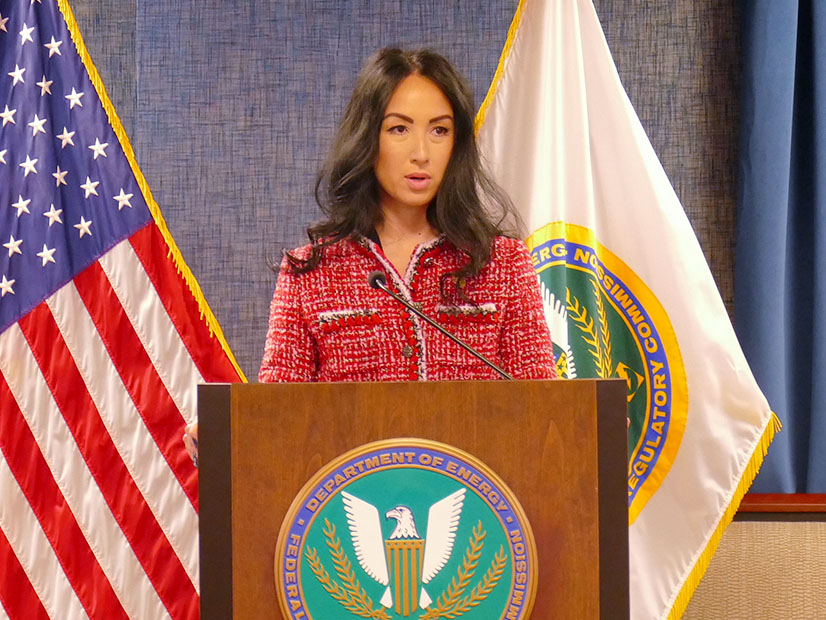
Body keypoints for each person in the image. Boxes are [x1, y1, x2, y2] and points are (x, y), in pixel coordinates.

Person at [183, 48, 555, 463]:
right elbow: (277, 412)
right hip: (348, 508)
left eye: (439, 131)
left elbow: (544, 409)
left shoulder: (503, 264)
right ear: (367, 138)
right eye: (399, 129)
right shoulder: (311, 272)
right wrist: (226, 431)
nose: (421, 153)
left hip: (477, 508)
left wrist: (585, 424)